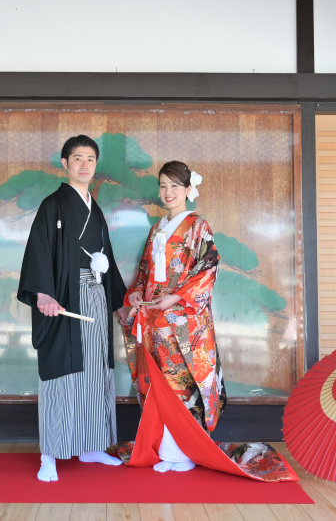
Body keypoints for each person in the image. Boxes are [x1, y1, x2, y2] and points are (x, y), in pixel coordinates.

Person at [17, 135, 128, 482]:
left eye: (90, 159)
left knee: (96, 371)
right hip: (64, 300)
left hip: (94, 296)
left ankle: (93, 446)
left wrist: (119, 304)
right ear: (64, 164)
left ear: (96, 166)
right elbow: (38, 251)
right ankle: (50, 453)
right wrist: (43, 295)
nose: (84, 165)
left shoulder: (95, 210)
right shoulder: (53, 205)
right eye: (77, 158)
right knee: (61, 375)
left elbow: (105, 258)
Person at [123, 160, 226, 473]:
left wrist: (177, 297)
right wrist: (137, 293)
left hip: (183, 321)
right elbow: (144, 272)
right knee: (160, 386)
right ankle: (166, 450)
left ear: (187, 190)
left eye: (175, 186)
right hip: (155, 318)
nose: (168, 192)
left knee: (182, 384)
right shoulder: (157, 229)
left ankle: (184, 452)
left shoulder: (197, 226)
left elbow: (208, 266)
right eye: (163, 185)